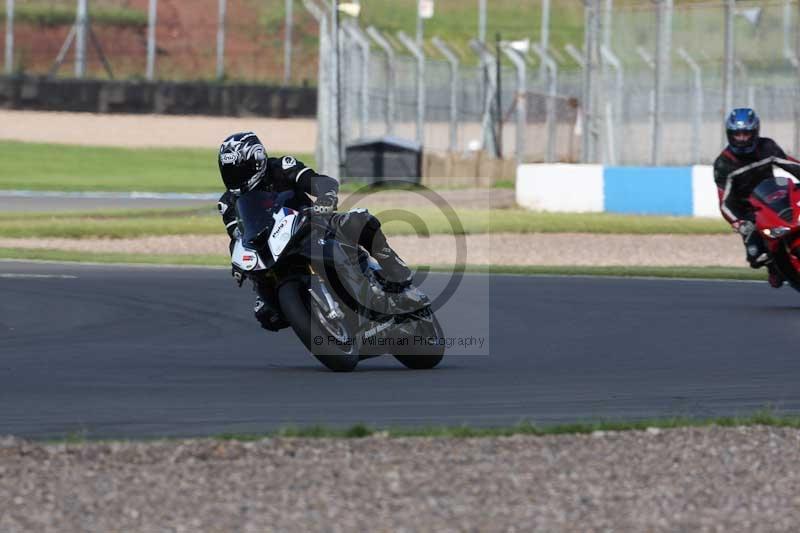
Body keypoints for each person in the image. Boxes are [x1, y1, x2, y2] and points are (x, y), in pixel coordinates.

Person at [216, 132, 412, 330]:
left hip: (314, 224)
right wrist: (238, 263)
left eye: (239, 171)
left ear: (257, 161)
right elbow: (237, 236)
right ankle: (316, 321)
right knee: (265, 314)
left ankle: (395, 270)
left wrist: (325, 196)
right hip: (272, 250)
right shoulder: (227, 202)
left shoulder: (282, 167)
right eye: (229, 172)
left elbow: (319, 181)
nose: (235, 177)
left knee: (359, 220)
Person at [714, 108, 800, 288]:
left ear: (755, 132)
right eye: (737, 134)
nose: (742, 138)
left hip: (776, 197)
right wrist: (738, 222)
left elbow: (789, 164)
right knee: (756, 256)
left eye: (746, 133)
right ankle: (774, 267)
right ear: (730, 134)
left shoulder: (767, 146)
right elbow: (725, 202)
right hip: (749, 210)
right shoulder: (724, 163)